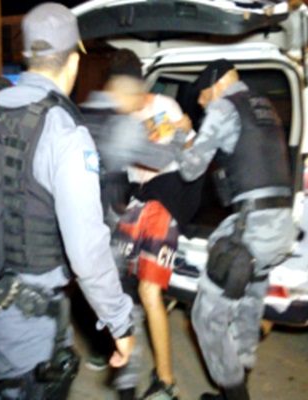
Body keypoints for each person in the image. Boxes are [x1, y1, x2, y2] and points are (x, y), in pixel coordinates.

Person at [0, 4, 135, 399]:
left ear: (29, 56)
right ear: (73, 61)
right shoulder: (63, 131)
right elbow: (86, 250)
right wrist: (120, 323)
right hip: (24, 324)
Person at [177, 59, 296, 400]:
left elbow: (190, 169)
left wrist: (182, 134)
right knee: (248, 308)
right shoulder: (264, 106)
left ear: (216, 84)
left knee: (205, 318)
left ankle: (235, 395)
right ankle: (238, 380)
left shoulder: (223, 107)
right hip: (280, 227)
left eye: (202, 95)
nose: (202, 103)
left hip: (252, 230)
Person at [79, 50, 190, 399]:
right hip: (110, 229)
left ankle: (109, 352)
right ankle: (137, 386)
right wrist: (181, 131)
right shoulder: (122, 123)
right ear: (128, 88)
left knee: (105, 297)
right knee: (129, 311)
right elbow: (163, 156)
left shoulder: (79, 114)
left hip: (80, 232)